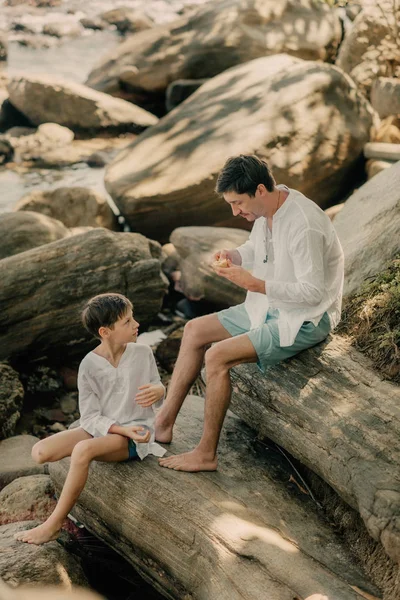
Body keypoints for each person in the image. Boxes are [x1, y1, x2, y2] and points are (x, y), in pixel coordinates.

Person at [157, 154, 344, 472]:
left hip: (305, 318)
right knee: (193, 331)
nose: (234, 211)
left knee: (216, 357)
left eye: (237, 203)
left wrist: (257, 285)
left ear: (259, 190)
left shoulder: (304, 224)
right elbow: (258, 250)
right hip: (268, 307)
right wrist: (235, 255)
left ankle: (205, 454)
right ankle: (163, 422)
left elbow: (313, 292)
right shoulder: (267, 209)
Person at [15, 293, 166, 545]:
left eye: (133, 318)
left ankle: (52, 525)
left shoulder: (142, 353)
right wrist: (114, 429)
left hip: (136, 431)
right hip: (106, 426)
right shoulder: (89, 365)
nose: (136, 324)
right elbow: (90, 416)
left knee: (83, 451)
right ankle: (80, 469)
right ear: (105, 331)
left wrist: (160, 391)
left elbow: (156, 385)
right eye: (127, 322)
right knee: (39, 452)